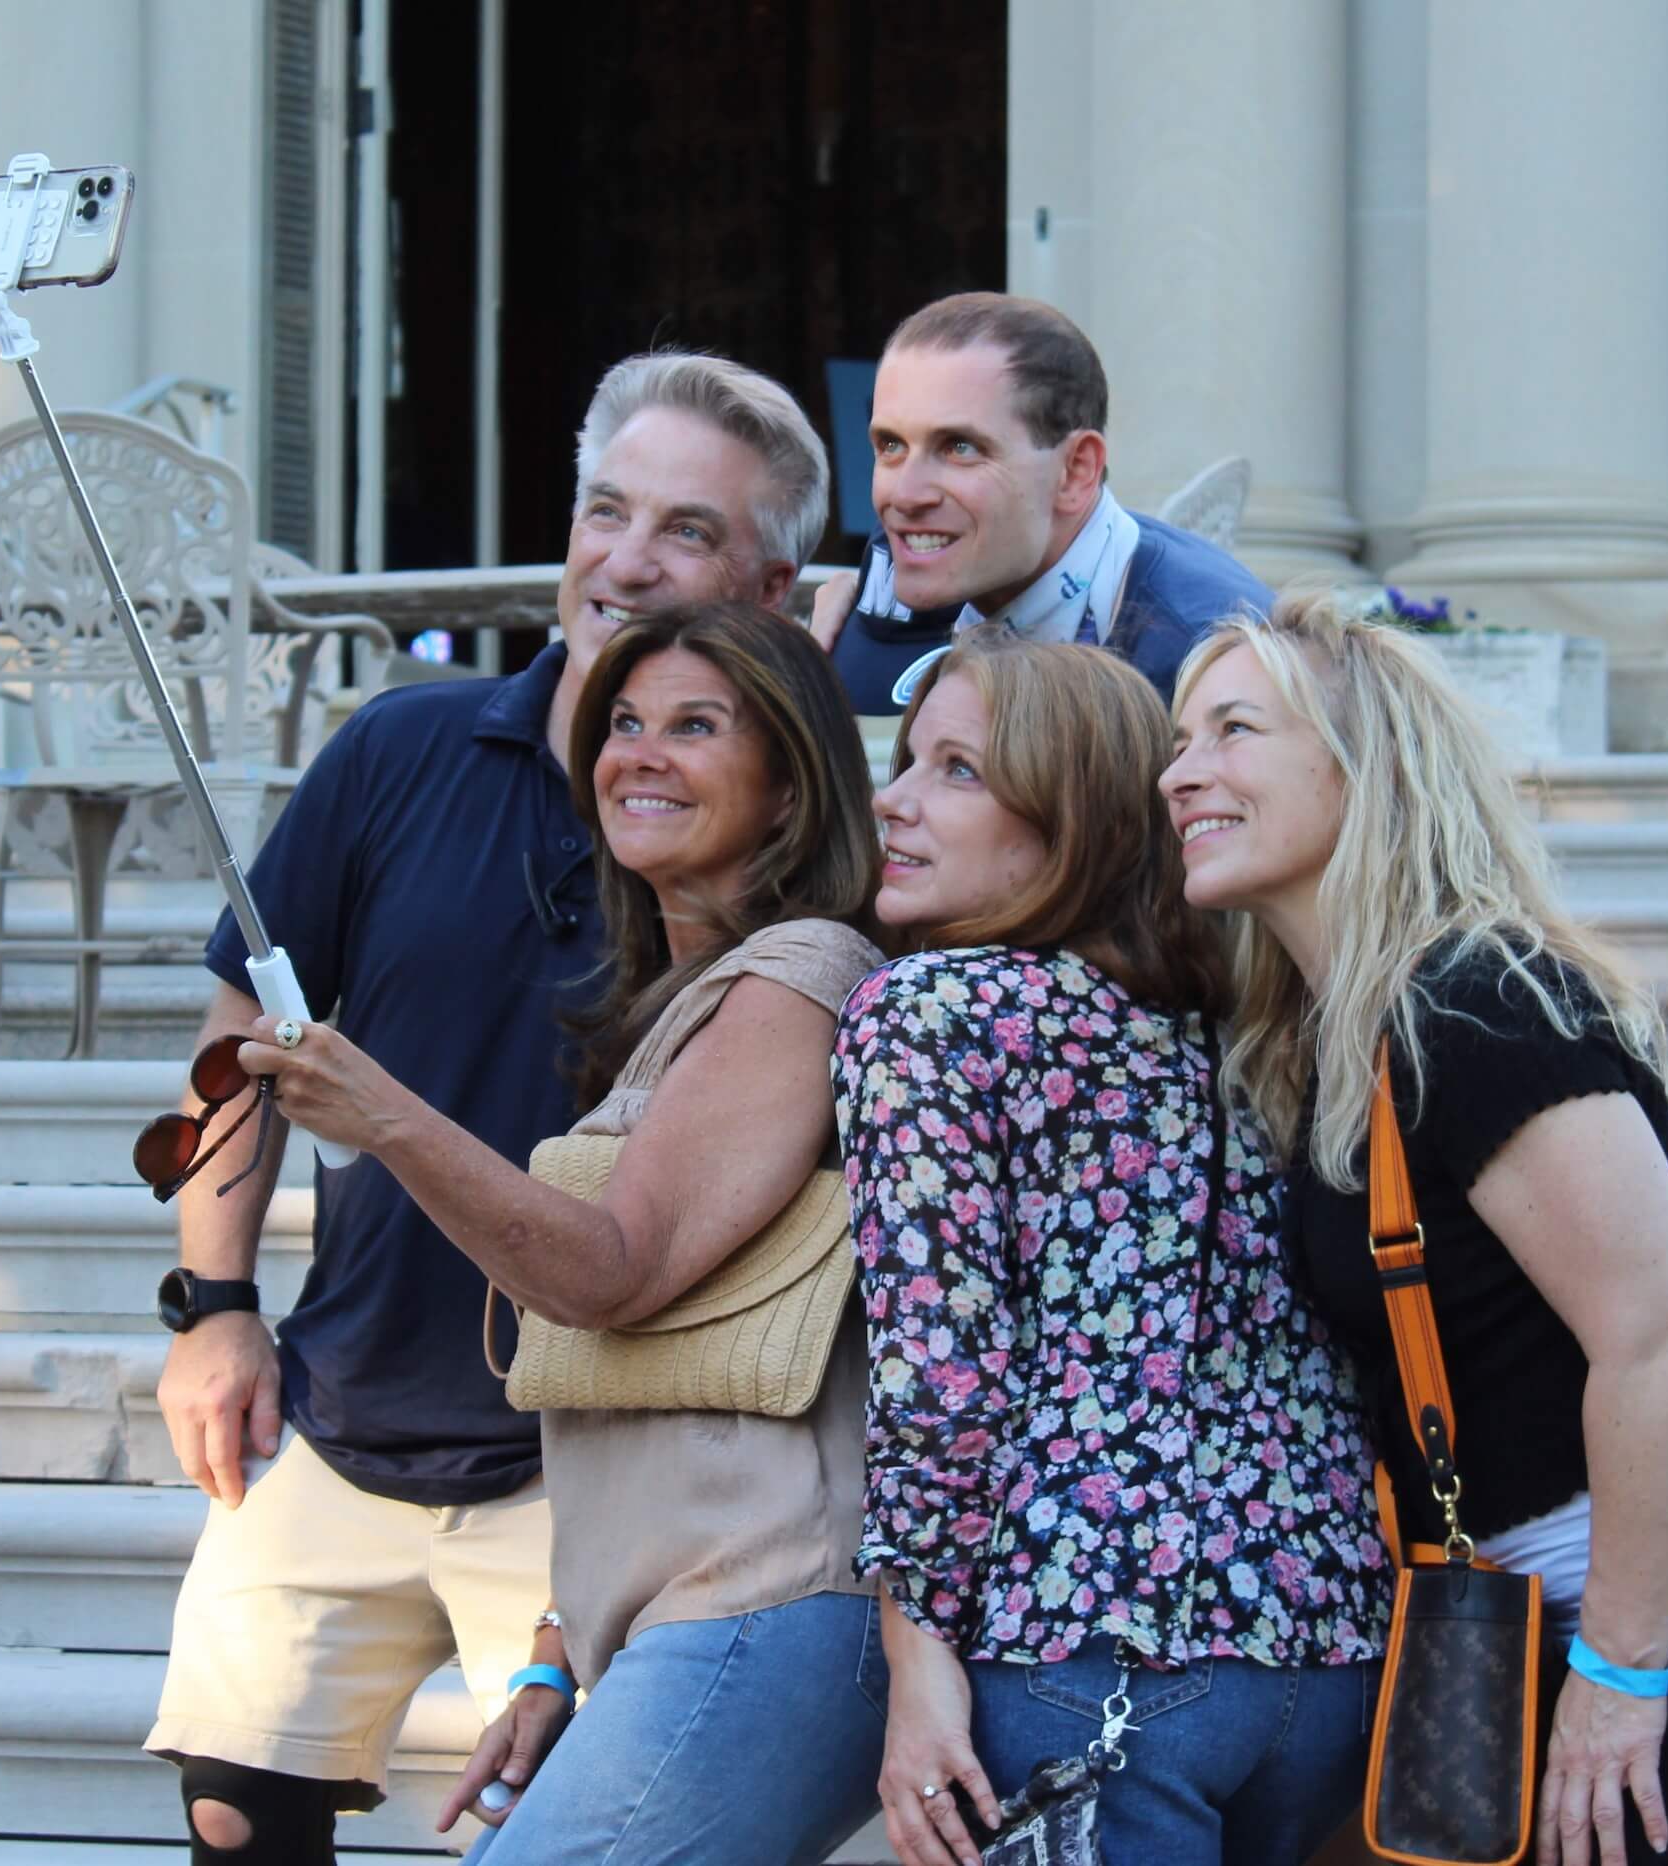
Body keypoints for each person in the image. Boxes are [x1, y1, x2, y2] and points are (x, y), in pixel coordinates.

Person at [144, 353, 834, 1866]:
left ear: (776, 588)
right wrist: (209, 1302)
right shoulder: (398, 748)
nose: (627, 560)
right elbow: (240, 1035)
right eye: (606, 510)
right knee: (227, 1813)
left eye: (687, 533)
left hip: (585, 1454)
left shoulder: (769, 850)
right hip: (338, 1410)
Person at [1161, 590, 1668, 1866]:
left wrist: (1623, 1674)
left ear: (1369, 764)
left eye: (1233, 730)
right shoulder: (1331, 1033)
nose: (1181, 772)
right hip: (1583, 1608)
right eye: (1178, 740)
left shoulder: (1477, 1005)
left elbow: (1665, 1344)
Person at [239, 601, 893, 1866]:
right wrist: (554, 1653)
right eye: (625, 725)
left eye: (696, 726)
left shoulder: (801, 972)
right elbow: (644, 1402)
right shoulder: (681, 1000)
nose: (639, 754)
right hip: (668, 1615)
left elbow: (611, 1274)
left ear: (789, 785)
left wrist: (384, 1117)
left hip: (767, 1599)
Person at [835, 631, 1387, 1866]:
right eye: (908, 760)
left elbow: (942, 1380)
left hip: (1090, 1659)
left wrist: (918, 1668)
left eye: (958, 771)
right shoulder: (1243, 1024)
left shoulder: (932, 1013)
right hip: (1327, 1662)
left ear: (1071, 822)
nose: (895, 799)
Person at [813, 292, 1271, 715]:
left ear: (1075, 471)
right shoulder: (943, 565)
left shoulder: (1213, 662)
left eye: (960, 447)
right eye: (891, 445)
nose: (905, 496)